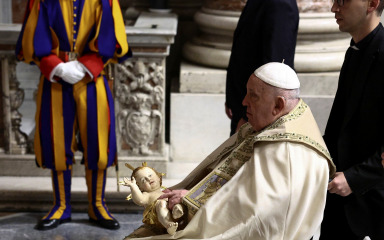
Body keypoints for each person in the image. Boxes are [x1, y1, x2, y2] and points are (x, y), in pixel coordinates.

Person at [124, 62, 336, 240]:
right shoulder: (276, 122)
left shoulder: (286, 151)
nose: (244, 102)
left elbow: (249, 217)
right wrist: (189, 195)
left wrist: (191, 199)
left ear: (278, 105)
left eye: (253, 96)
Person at [15, 0, 131, 230]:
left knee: (98, 144)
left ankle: (97, 205)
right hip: (55, 79)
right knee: (57, 144)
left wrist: (86, 65)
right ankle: (61, 206)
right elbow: (32, 37)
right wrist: (55, 66)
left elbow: (114, 38)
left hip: (92, 78)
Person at [320, 0, 384, 239]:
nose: (334, 8)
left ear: (372, 3)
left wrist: (354, 179)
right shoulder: (354, 50)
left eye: (342, 1)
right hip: (339, 198)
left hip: (373, 204)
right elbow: (340, 125)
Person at [225, 0, 299, 135]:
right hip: (245, 107)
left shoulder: (280, 5)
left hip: (254, 117)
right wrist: (232, 100)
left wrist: (247, 117)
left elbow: (274, 70)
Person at [119, 163, 185, 235]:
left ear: (158, 177)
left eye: (150, 175)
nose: (148, 179)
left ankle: (177, 212)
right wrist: (133, 186)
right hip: (158, 217)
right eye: (143, 180)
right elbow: (140, 200)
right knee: (161, 203)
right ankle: (168, 224)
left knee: (177, 200)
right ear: (140, 188)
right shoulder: (147, 195)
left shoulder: (166, 191)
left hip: (172, 211)